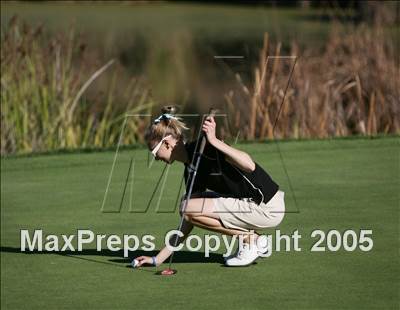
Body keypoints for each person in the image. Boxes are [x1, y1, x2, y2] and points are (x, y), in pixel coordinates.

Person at [134, 112, 285, 267]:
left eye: (154, 152)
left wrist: (213, 141)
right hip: (249, 204)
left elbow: (249, 165)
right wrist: (157, 259)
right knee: (187, 204)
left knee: (187, 206)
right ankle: (250, 240)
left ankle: (251, 240)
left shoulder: (205, 147)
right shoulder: (190, 169)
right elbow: (188, 219)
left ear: (167, 144)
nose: (156, 158)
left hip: (266, 207)